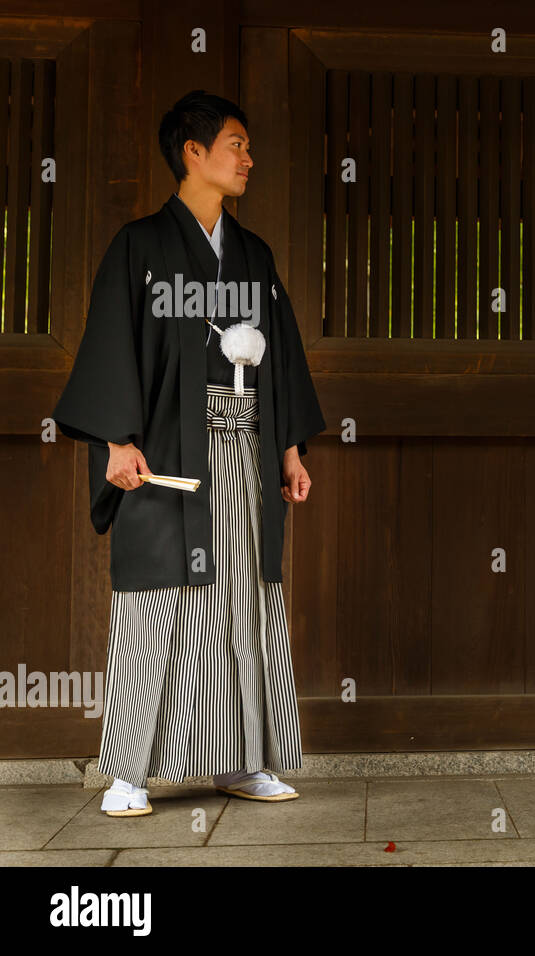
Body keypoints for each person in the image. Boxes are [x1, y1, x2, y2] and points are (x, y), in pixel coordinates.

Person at [52, 90, 326, 816]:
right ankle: (129, 773)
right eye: (236, 144)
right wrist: (115, 438)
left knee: (244, 599)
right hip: (166, 456)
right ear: (193, 153)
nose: (248, 158)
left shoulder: (255, 256)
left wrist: (291, 451)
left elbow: (283, 363)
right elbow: (113, 344)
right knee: (157, 604)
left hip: (246, 451)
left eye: (247, 145)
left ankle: (244, 760)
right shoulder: (139, 246)